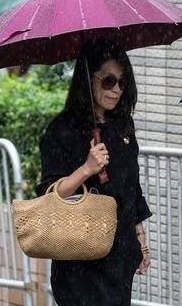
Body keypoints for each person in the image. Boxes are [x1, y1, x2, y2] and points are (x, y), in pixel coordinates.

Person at [35, 38, 152, 306]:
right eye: (109, 81)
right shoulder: (62, 130)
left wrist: (141, 242)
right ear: (88, 79)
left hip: (119, 255)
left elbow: (131, 188)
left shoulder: (123, 126)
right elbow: (50, 196)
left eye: (123, 82)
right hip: (78, 257)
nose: (117, 90)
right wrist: (87, 168)